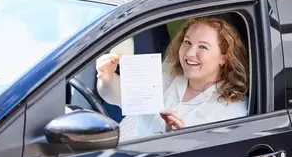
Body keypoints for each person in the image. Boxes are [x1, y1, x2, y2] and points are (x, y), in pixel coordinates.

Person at [96, 16, 249, 140]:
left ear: (224, 57)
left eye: (202, 47)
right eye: (187, 42)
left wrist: (179, 141)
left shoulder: (231, 110)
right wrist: (107, 77)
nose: (189, 53)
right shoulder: (167, 79)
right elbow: (119, 96)